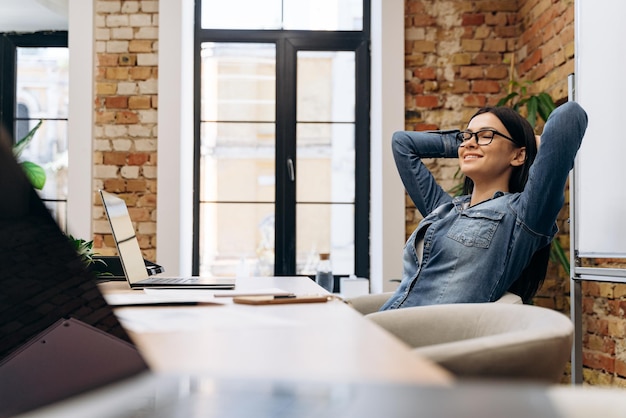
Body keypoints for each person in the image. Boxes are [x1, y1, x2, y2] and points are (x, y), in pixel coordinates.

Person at [379, 101, 588, 310]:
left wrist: (526, 144)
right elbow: (402, 143)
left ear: (518, 155)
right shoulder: (445, 209)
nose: (469, 142)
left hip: (425, 337)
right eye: (466, 136)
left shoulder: (524, 214)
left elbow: (569, 116)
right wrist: (471, 146)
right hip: (390, 324)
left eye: (487, 134)